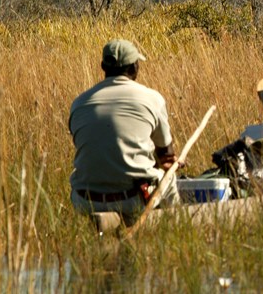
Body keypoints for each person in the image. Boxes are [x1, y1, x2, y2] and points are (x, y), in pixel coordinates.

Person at [68, 39, 180, 219]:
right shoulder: (152, 98)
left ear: (103, 66)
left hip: (86, 200)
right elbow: (165, 155)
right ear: (135, 67)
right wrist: (168, 161)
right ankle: (172, 227)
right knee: (170, 176)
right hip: (134, 198)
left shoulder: (79, 103)